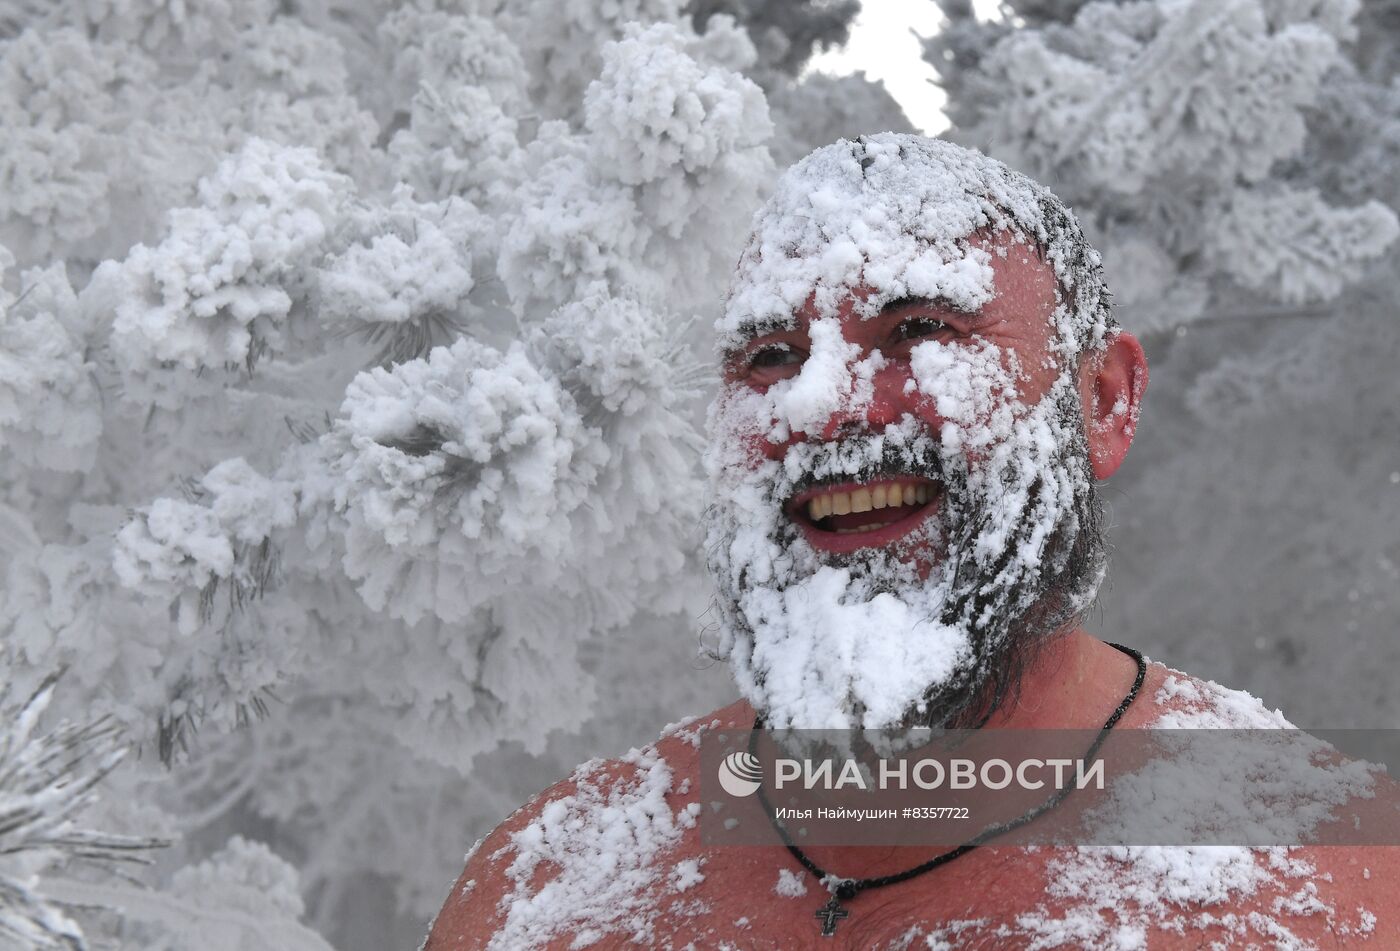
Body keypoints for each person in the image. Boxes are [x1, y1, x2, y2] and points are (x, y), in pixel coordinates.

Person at [425, 135, 1399, 948]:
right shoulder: (550, 883)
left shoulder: (1330, 878)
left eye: (918, 329)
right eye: (770, 356)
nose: (821, 402)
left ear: (1101, 401)